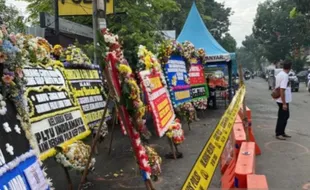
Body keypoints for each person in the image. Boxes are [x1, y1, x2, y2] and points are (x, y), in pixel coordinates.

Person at [275, 60, 292, 140]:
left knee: (284, 116)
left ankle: (282, 132)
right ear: (290, 68)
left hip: (279, 99)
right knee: (283, 117)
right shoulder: (285, 76)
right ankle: (279, 133)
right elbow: (282, 90)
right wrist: (284, 103)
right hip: (282, 100)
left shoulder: (280, 74)